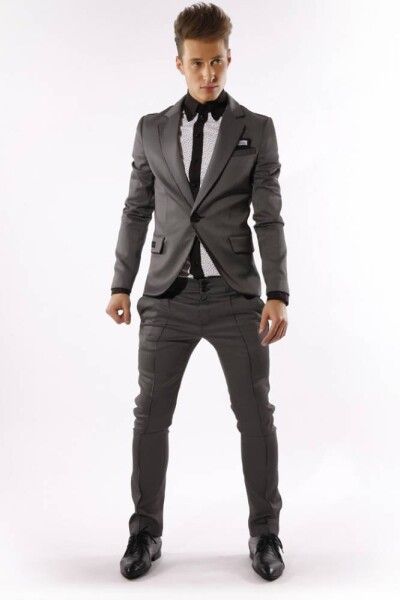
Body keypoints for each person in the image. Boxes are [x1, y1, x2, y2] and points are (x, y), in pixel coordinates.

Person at [105, 1, 290, 582]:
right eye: (197, 63)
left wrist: (278, 293)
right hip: (167, 297)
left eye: (217, 62)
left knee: (255, 416)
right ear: (179, 63)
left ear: (229, 58)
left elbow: (269, 218)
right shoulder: (151, 129)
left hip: (236, 297)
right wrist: (120, 283)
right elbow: (136, 210)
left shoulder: (256, 129)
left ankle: (265, 533)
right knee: (149, 416)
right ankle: (145, 532)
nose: (208, 74)